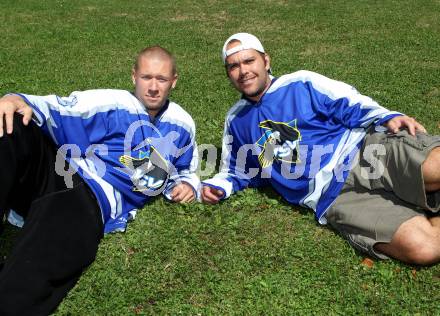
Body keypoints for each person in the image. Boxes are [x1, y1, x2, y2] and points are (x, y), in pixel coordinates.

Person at [202, 32, 440, 266]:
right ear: (228, 74)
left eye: (249, 61)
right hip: (335, 197)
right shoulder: (236, 120)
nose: (243, 71)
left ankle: (420, 187)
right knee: (424, 247)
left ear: (266, 60)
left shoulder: (300, 83)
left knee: (436, 167)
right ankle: (421, 195)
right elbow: (236, 168)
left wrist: (386, 116)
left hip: (363, 151)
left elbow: (347, 100)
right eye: (233, 66)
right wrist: (219, 187)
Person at [0, 45, 199, 315]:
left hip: (89, 200)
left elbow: (187, 168)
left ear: (174, 81)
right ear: (134, 77)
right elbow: (61, 107)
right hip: (58, 172)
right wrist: (15, 99)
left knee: (32, 268)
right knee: (11, 126)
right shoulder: (114, 104)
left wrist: (187, 185)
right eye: (146, 77)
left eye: (161, 79)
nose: (153, 87)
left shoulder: (182, 124)